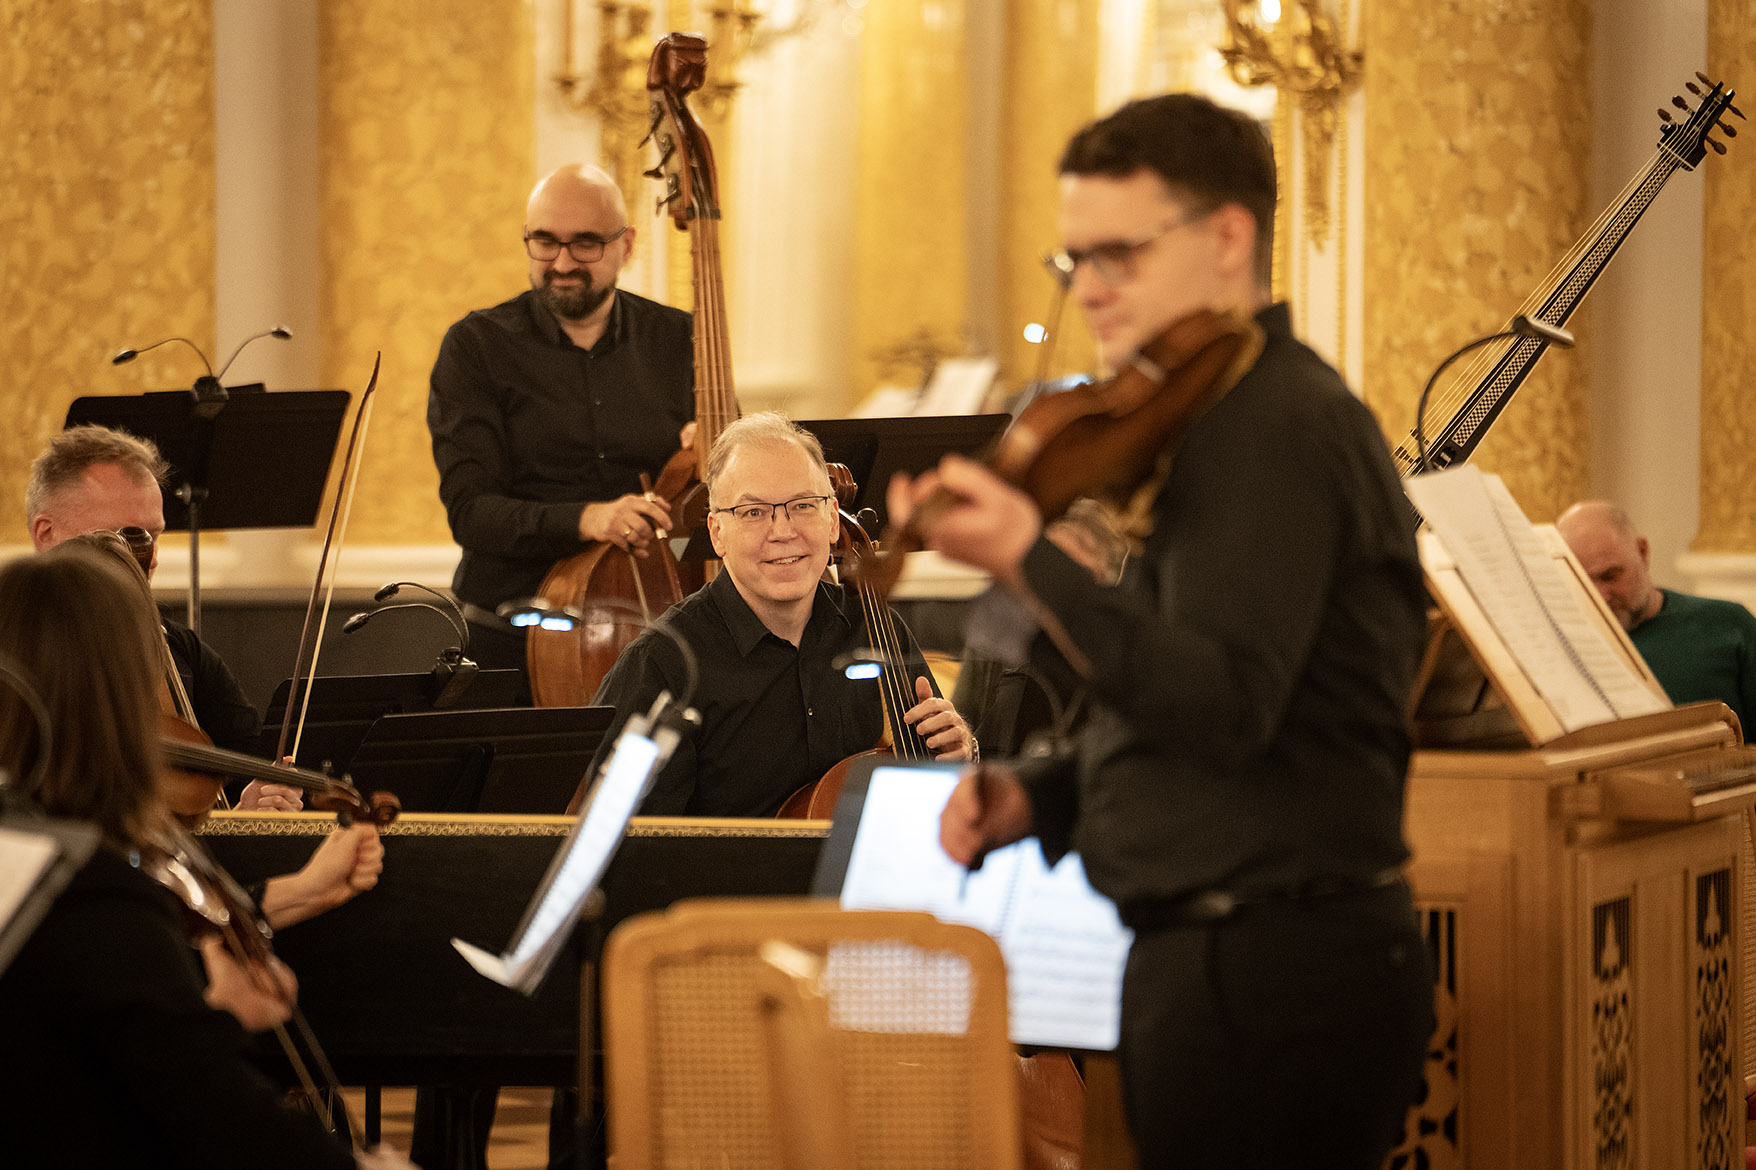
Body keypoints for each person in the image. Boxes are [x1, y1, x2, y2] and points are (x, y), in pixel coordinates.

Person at [889, 94, 1433, 1168]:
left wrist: (1028, 559)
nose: (1088, 287)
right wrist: (1041, 791)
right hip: (1224, 961)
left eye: (1118, 254)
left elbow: (1225, 705)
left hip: (1273, 971)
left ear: (1227, 238)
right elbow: (1175, 690)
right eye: (1076, 257)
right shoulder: (1211, 422)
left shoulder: (1276, 427)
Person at [0, 548, 417, 1170]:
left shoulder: (31, 854)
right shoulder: (94, 893)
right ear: (121, 702)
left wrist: (301, 892)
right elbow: (216, 1120)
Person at [578, 411, 975, 818]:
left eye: (803, 505)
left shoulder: (876, 629)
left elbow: (932, 792)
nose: (783, 531)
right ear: (717, 533)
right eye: (753, 512)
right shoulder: (661, 665)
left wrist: (958, 752)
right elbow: (631, 850)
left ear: (833, 520)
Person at [428, 163, 694, 673]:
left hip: (652, 631)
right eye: (545, 242)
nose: (563, 262)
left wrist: (714, 455)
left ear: (627, 245)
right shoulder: (476, 347)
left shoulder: (679, 340)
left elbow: (723, 503)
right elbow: (472, 511)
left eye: (586, 244)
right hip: (510, 637)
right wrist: (590, 518)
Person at [27, 424, 295, 812]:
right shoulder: (15, 656)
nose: (149, 558)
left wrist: (245, 818)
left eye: (155, 536)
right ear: (47, 534)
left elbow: (251, 764)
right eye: (125, 537)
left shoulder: (178, 648)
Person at [1557, 499, 1756, 729]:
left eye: (1611, 575)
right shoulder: (1558, 644)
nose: (1601, 597)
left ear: (1642, 552)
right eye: (1581, 582)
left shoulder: (1727, 624)